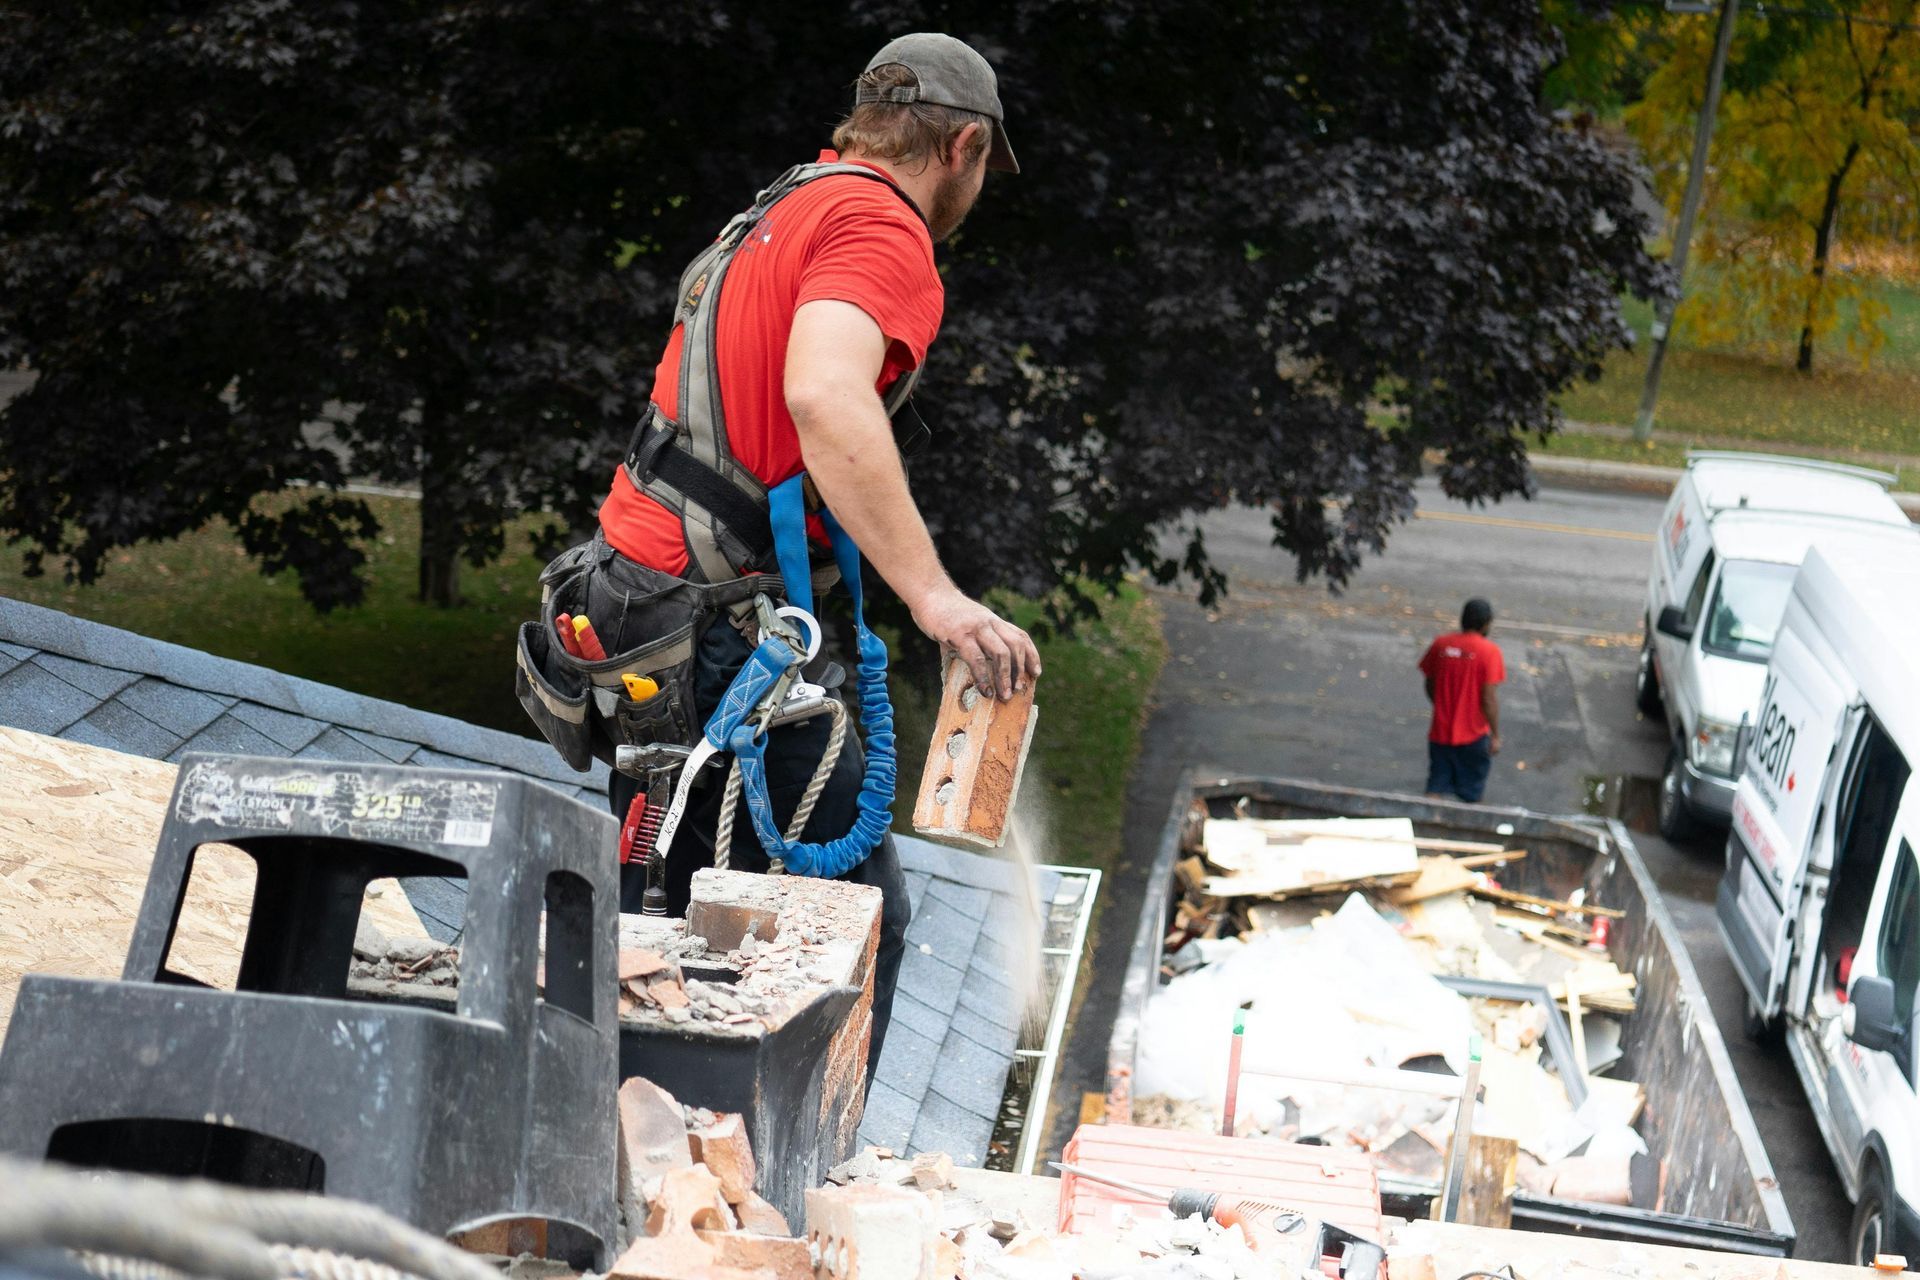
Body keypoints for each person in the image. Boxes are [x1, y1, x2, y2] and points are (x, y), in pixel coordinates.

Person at [568, 33, 1041, 1080]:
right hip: (715, 628)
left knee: (662, 925)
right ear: (963, 144)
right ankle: (765, 1208)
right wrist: (936, 598)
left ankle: (638, 1157)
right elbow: (824, 395)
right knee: (843, 936)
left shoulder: (790, 203)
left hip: (635, 598)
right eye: (979, 170)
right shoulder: (884, 230)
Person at [1417, 598, 1505, 803]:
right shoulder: (1489, 652)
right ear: (1486, 624)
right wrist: (1495, 735)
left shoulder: (1441, 644)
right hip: (1474, 737)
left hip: (1440, 733)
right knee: (1472, 795)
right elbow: (1488, 699)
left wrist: (1441, 704)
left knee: (1435, 786)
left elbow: (1429, 683)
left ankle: (1426, 827)